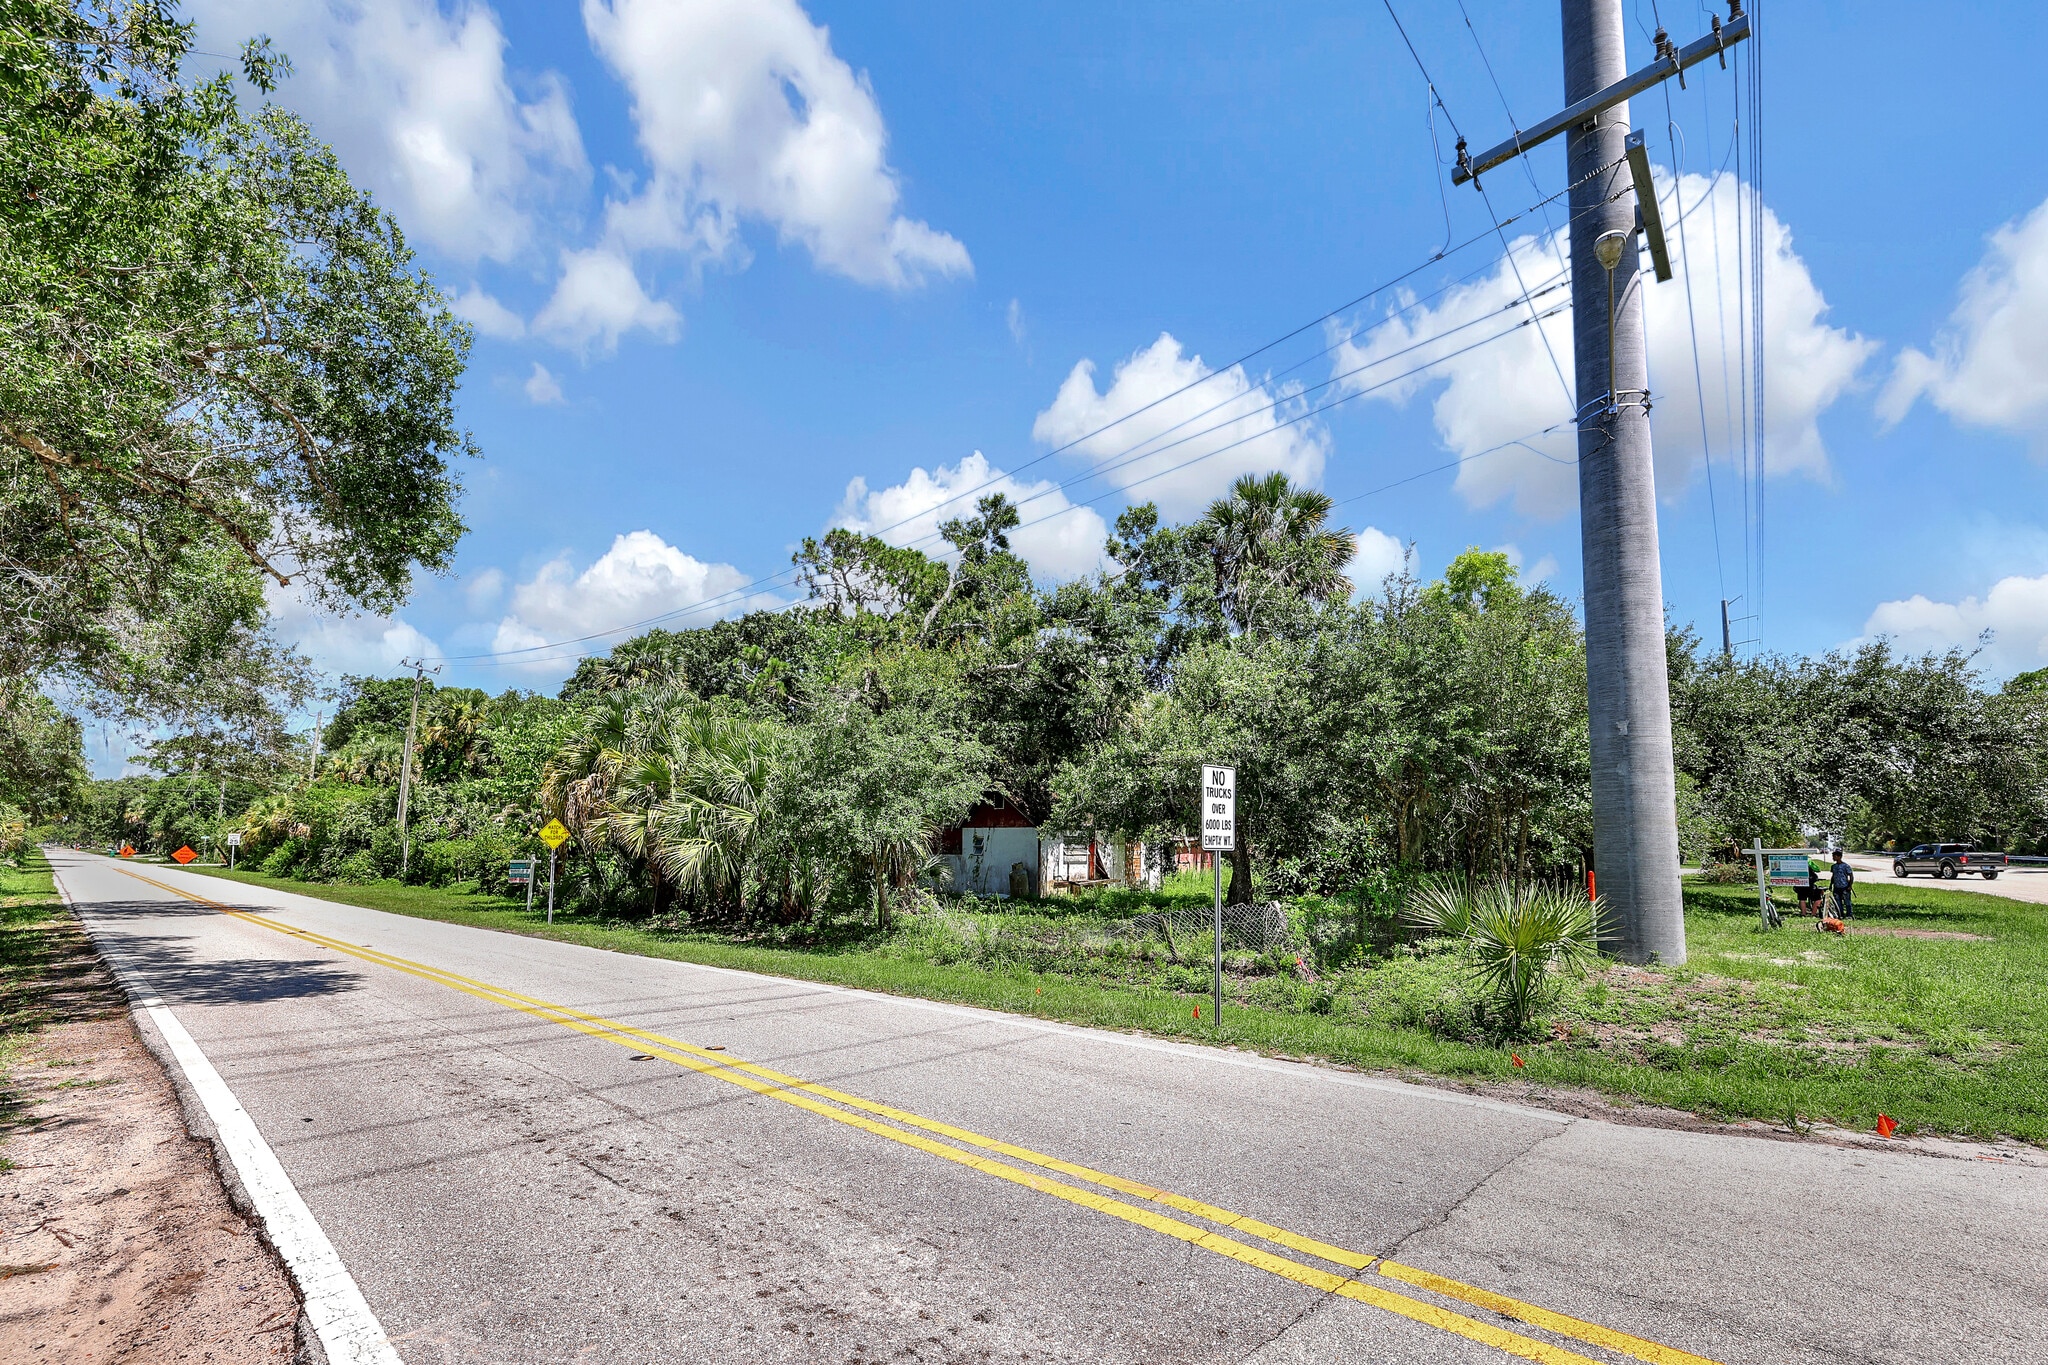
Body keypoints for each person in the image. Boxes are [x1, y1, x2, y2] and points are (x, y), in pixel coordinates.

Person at [1830, 849, 1854, 920]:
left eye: (1834, 856)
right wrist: (1831, 884)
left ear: (1839, 856)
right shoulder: (1833, 866)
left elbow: (1851, 876)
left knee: (1847, 902)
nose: (1833, 858)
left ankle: (1849, 915)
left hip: (1845, 886)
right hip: (1836, 887)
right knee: (1837, 902)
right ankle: (1840, 914)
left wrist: (1850, 886)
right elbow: (1833, 876)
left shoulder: (1845, 866)